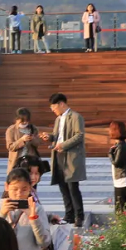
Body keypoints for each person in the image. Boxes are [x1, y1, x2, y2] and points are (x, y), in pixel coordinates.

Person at [39, 93, 86, 227]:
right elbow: (56, 136)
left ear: (61, 104)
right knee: (63, 187)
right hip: (58, 155)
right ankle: (69, 215)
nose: (53, 110)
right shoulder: (58, 119)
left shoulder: (76, 117)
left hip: (71, 156)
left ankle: (79, 216)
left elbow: (79, 135)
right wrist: (49, 137)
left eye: (53, 107)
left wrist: (63, 145)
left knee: (73, 187)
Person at [108, 121, 126, 215]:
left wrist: (110, 154)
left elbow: (117, 163)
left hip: (123, 180)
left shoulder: (121, 146)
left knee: (122, 209)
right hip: (122, 179)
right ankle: (125, 227)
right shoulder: (119, 145)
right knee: (122, 208)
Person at [5, 108, 43, 173]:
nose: (25, 122)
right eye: (22, 121)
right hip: (17, 162)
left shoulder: (33, 128)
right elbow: (10, 147)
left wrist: (33, 139)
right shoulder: (11, 130)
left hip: (31, 161)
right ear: (17, 119)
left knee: (32, 180)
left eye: (27, 120)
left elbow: (38, 143)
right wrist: (22, 140)